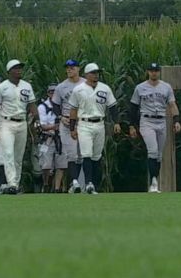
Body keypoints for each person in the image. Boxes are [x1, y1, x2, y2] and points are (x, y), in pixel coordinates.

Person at [69, 62, 121, 195]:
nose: (95, 75)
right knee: (86, 153)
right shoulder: (78, 89)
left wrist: (117, 122)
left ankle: (94, 185)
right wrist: (72, 127)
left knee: (97, 156)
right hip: (84, 124)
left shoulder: (105, 88)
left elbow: (113, 107)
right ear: (86, 75)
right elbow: (73, 110)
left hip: (100, 123)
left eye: (97, 73)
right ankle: (88, 183)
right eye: (93, 73)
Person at [129, 62, 181, 193]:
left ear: (159, 72)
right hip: (146, 120)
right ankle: (153, 182)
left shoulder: (166, 87)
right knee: (152, 150)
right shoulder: (140, 88)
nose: (154, 73)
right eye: (152, 70)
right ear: (148, 72)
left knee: (158, 155)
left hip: (161, 121)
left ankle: (154, 181)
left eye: (156, 70)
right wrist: (132, 126)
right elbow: (133, 107)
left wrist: (176, 120)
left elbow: (172, 104)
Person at [0, 59, 37, 195]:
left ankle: (16, 182)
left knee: (18, 156)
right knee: (8, 153)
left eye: (20, 68)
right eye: (16, 68)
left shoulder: (26, 86)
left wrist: (36, 118)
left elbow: (32, 105)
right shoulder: (2, 87)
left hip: (22, 122)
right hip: (6, 123)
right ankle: (12, 184)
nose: (19, 70)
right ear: (9, 71)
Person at [52, 59, 85, 193]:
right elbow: (55, 104)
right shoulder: (61, 87)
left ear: (78, 69)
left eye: (72, 67)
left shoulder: (85, 84)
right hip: (66, 122)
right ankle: (75, 182)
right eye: (67, 68)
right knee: (71, 154)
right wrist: (60, 117)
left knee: (83, 154)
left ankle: (82, 184)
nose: (69, 70)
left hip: (83, 121)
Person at [38, 83, 68, 193]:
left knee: (61, 164)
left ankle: (57, 188)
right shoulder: (43, 107)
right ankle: (46, 184)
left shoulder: (63, 106)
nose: (53, 94)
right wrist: (55, 126)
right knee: (46, 164)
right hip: (48, 137)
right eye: (51, 92)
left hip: (61, 137)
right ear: (48, 93)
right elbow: (43, 125)